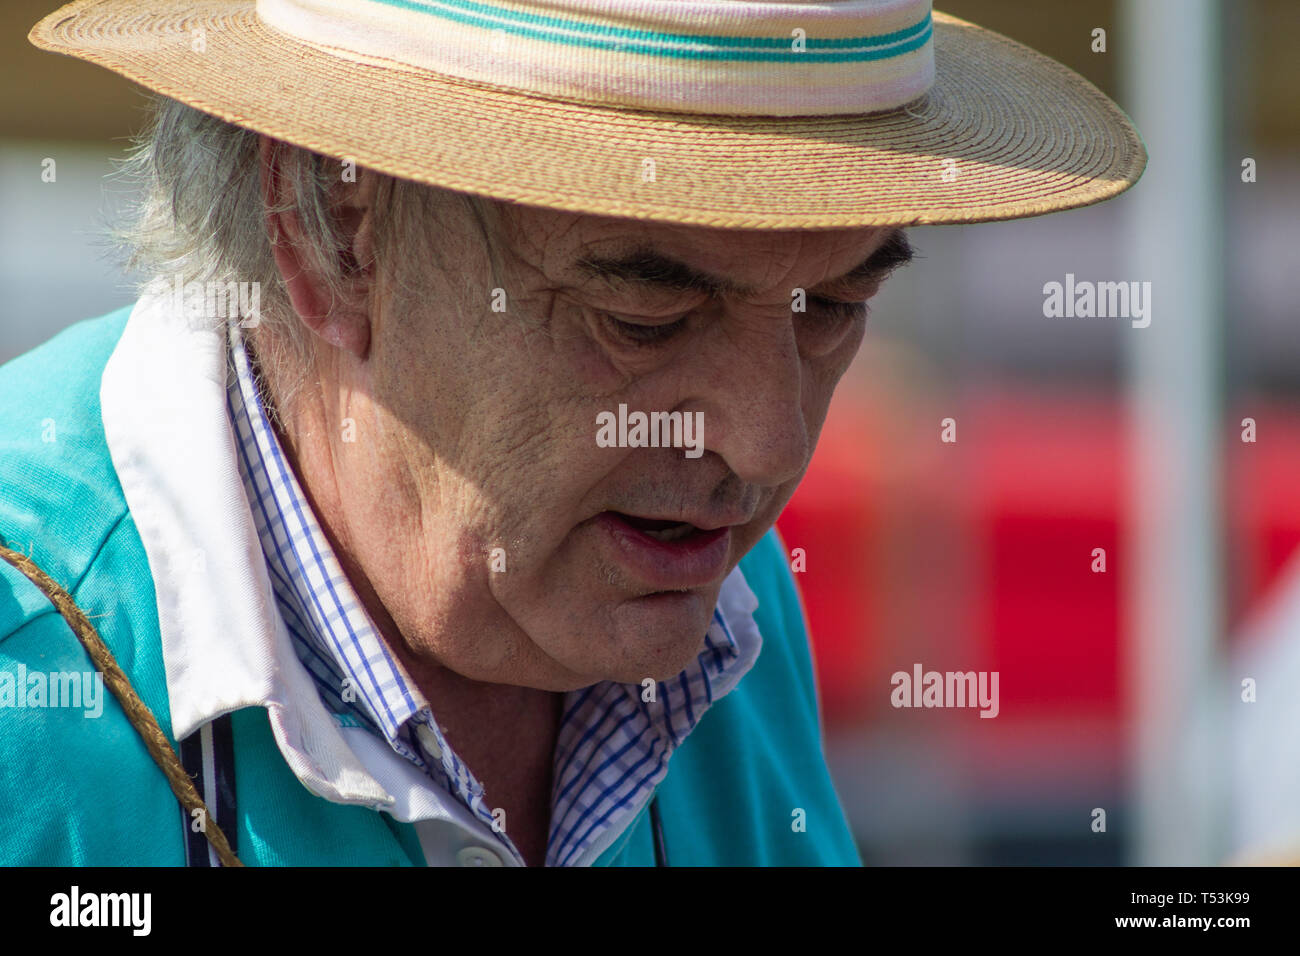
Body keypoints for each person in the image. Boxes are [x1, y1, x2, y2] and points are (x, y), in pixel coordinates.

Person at [0, 0, 1145, 866]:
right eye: (643, 316)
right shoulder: (27, 670)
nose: (760, 445)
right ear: (335, 229)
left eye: (833, 307)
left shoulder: (712, 597)